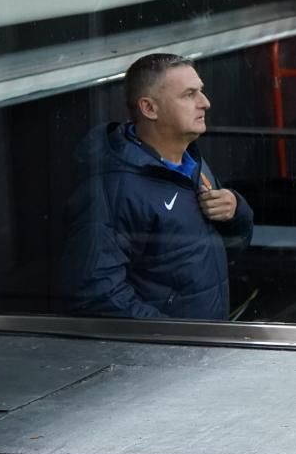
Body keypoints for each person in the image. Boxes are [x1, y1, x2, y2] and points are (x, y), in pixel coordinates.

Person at [62, 53, 252, 319]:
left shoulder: (191, 160)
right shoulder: (113, 187)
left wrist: (236, 212)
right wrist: (172, 339)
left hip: (205, 345)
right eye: (189, 95)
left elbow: (221, 251)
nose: (205, 103)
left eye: (202, 92)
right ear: (149, 108)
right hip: (170, 353)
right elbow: (94, 293)